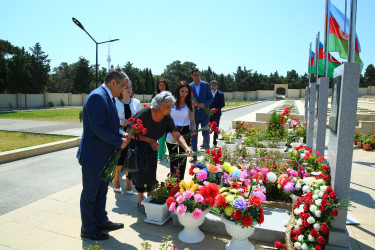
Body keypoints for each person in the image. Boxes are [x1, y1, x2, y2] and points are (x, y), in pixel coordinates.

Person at [76, 68, 130, 241]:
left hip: (104, 155)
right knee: (90, 193)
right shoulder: (97, 97)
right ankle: (88, 228)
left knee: (100, 192)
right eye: (122, 85)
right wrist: (118, 142)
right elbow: (97, 128)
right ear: (113, 82)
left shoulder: (108, 97)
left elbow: (108, 125)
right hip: (94, 156)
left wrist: (120, 134)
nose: (124, 89)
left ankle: (101, 221)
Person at [129, 91, 192, 213]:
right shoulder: (144, 114)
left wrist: (186, 147)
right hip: (138, 147)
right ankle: (141, 202)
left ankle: (150, 199)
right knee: (141, 174)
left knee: (151, 174)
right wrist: (150, 140)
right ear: (158, 105)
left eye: (171, 107)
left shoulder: (167, 118)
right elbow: (130, 133)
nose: (170, 109)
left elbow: (176, 134)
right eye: (167, 107)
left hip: (152, 148)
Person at [113, 80, 141, 194]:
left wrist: (136, 126)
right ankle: (116, 180)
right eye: (126, 87)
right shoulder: (114, 102)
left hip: (133, 134)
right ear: (121, 89)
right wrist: (120, 121)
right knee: (120, 158)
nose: (129, 90)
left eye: (130, 87)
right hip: (118, 133)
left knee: (131, 157)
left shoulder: (136, 102)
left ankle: (128, 182)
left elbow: (140, 118)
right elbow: (110, 118)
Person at [166, 81, 196, 180]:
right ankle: (173, 180)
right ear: (178, 91)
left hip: (185, 132)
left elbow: (192, 121)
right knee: (173, 157)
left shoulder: (190, 104)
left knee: (183, 158)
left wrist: (194, 128)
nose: (184, 93)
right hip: (171, 131)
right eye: (182, 91)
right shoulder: (171, 102)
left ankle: (180, 180)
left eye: (186, 91)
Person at [189, 69, 213, 163]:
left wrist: (205, 103)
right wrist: (191, 103)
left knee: (206, 133)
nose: (197, 77)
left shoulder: (206, 85)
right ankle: (194, 155)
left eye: (198, 75)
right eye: (195, 75)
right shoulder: (189, 86)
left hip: (204, 114)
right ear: (192, 76)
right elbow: (186, 98)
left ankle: (207, 155)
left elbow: (211, 98)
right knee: (193, 134)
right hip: (194, 115)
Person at [151, 78, 170, 160]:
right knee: (158, 136)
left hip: (166, 117)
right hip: (157, 117)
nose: (161, 87)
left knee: (163, 136)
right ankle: (162, 150)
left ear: (166, 86)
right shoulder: (155, 94)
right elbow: (152, 105)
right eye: (160, 85)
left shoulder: (169, 95)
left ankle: (159, 154)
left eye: (163, 85)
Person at [209, 80, 225, 148]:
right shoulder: (208, 93)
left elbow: (222, 104)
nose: (213, 86)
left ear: (217, 86)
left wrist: (216, 108)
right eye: (212, 85)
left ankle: (215, 143)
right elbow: (206, 103)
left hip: (217, 114)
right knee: (206, 128)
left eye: (215, 85)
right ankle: (205, 143)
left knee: (215, 128)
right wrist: (210, 109)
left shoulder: (220, 94)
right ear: (210, 86)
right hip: (208, 113)